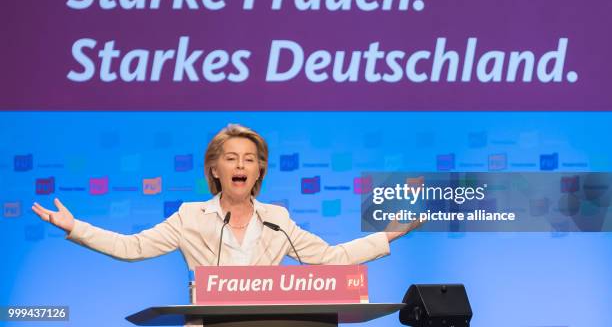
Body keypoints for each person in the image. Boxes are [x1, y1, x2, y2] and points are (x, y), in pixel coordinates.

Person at [32, 124, 421, 268]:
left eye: (249, 159)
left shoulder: (277, 219)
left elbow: (330, 258)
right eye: (231, 158)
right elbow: (132, 248)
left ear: (259, 171)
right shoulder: (190, 216)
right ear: (215, 169)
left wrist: (387, 235)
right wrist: (76, 227)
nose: (241, 165)